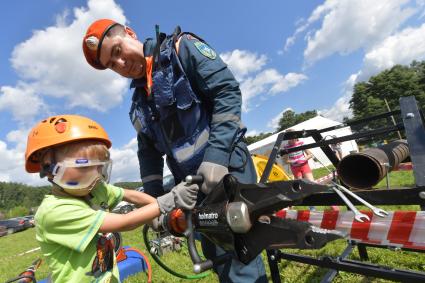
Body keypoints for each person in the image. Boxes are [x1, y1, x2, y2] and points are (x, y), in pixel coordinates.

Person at [82, 19, 267, 282]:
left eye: (117, 51)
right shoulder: (138, 105)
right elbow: (147, 151)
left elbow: (227, 92)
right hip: (191, 187)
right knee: (214, 249)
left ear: (130, 34)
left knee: (237, 252)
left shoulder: (182, 49)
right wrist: (154, 200)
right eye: (112, 65)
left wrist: (216, 156)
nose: (121, 64)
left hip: (227, 170)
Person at [26, 115, 198, 283]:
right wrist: (171, 199)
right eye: (86, 168)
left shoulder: (93, 188)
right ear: (50, 168)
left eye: (100, 169)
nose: (96, 178)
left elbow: (131, 195)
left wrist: (158, 211)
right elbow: (125, 222)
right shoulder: (55, 211)